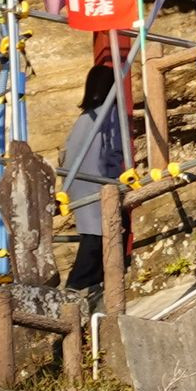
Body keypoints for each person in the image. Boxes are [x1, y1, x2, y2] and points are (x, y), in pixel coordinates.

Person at [61, 60, 125, 293]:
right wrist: (117, 179)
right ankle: (78, 283)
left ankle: (90, 279)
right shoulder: (110, 113)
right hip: (97, 178)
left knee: (92, 231)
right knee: (99, 233)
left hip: (75, 179)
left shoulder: (85, 117)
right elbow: (113, 149)